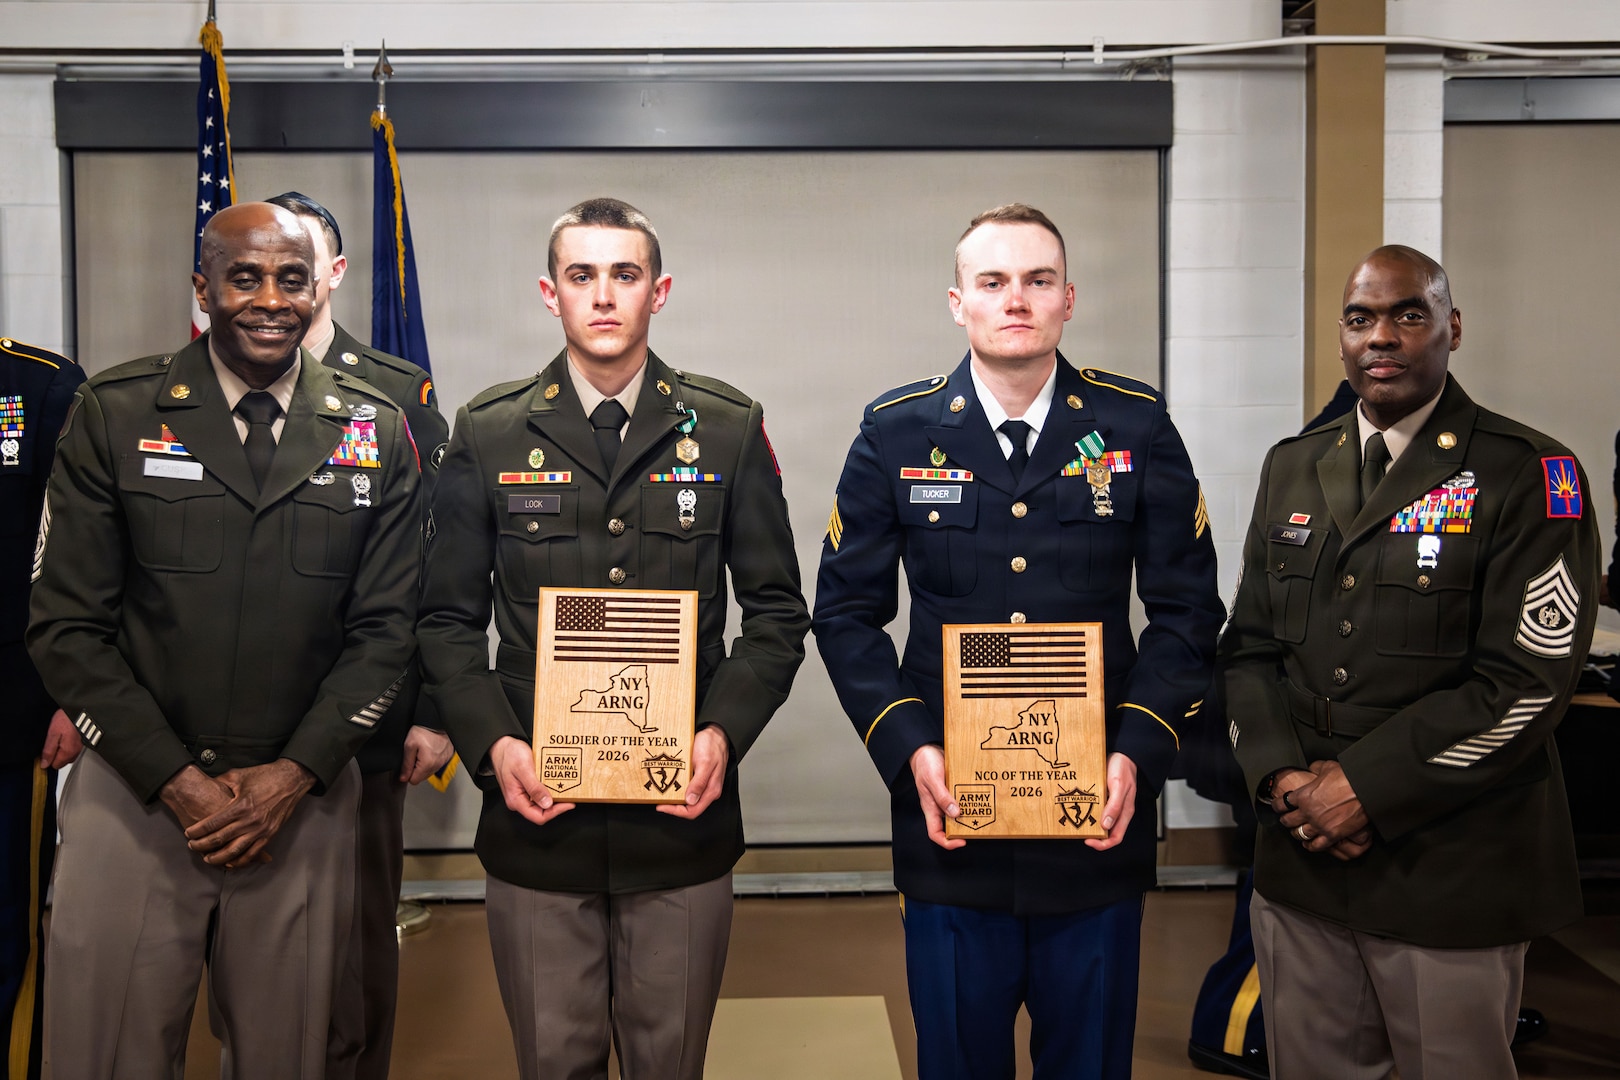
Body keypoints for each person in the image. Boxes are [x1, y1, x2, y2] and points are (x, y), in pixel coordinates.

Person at [813, 203, 1224, 1079]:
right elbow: (845, 613)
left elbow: (1187, 610)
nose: (1016, 299)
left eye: (1038, 280)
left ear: (1068, 298)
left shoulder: (1134, 425)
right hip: (950, 820)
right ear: (957, 301)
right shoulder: (896, 430)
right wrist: (909, 748)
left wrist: (1139, 751)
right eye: (993, 281)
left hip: (1097, 821)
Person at [27, 202, 422, 1078]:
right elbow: (65, 625)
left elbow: (387, 632)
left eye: (292, 279)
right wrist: (177, 783)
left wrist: (293, 775)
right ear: (202, 288)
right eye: (245, 278)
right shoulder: (114, 412)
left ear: (319, 288)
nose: (271, 300)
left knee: (292, 1057)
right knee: (107, 1054)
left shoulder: (376, 427)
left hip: (301, 805)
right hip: (134, 796)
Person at [417, 197, 809, 1080]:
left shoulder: (727, 427)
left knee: (670, 1063)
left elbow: (777, 615)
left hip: (680, 823)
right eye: (582, 275)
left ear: (658, 291)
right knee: (554, 1062)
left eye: (624, 274)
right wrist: (495, 748)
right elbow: (445, 621)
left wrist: (722, 734)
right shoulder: (489, 430)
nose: (603, 295)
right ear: (548, 292)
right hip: (536, 818)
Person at [1220, 245, 1596, 1079]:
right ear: (1342, 338)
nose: (1380, 337)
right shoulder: (1294, 465)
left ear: (1452, 328)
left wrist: (1362, 789)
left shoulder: (1530, 473)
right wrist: (1282, 780)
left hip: (1449, 871)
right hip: (1302, 865)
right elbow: (1248, 649)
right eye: (1360, 319)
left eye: (1408, 315)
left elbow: (1525, 684)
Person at [265, 189, 454, 1080]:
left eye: (302, 258)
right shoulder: (202, 388)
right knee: (249, 939)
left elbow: (439, 563)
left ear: (335, 271)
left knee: (355, 939)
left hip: (365, 717)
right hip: (237, 718)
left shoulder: (397, 393)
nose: (281, 280)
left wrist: (432, 709)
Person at [0, 336, 85, 1080]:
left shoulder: (40, 386)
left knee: (6, 935)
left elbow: (77, 555)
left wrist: (68, 695)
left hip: (11, 719)